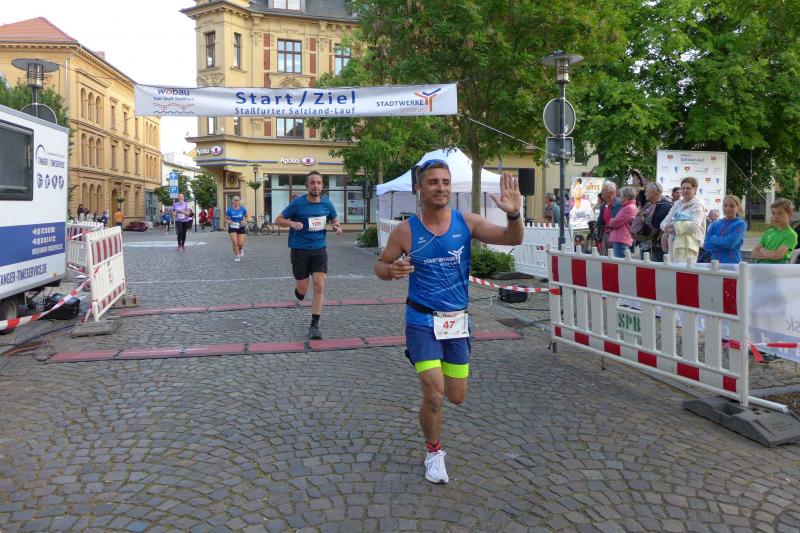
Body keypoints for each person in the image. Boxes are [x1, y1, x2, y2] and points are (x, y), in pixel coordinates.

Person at [374, 159, 523, 485]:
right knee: (434, 393)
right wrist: (391, 270)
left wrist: (514, 214)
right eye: (433, 182)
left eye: (445, 181)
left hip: (456, 322)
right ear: (419, 188)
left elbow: (512, 238)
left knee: (456, 396)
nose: (440, 187)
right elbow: (381, 266)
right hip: (421, 321)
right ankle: (434, 451)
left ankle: (434, 433)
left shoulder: (466, 222)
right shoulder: (406, 231)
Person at [276, 171, 342, 340]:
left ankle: (314, 325)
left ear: (322, 186)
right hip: (299, 250)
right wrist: (291, 223)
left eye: (318, 183)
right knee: (303, 289)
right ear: (307, 185)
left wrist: (336, 226)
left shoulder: (327, 203)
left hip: (319, 249)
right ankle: (299, 291)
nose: (315, 185)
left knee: (319, 285)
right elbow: (279, 219)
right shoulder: (298, 203)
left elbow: (334, 219)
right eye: (312, 182)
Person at [660, 177, 706, 262]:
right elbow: (663, 223)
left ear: (695, 189)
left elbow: (695, 227)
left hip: (688, 247)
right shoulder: (677, 204)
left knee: (685, 270)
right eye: (683, 188)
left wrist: (674, 226)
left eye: (688, 188)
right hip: (672, 245)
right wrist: (667, 227)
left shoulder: (698, 206)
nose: (685, 191)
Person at [632, 182, 672, 261]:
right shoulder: (651, 205)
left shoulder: (664, 205)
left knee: (656, 267)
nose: (645, 194)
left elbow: (655, 224)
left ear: (654, 192)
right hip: (650, 245)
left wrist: (644, 218)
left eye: (646, 191)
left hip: (659, 246)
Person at [702, 196, 746, 264]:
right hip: (715, 263)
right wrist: (725, 245)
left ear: (738, 208)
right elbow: (706, 245)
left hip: (732, 264)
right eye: (725, 205)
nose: (728, 208)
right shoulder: (715, 224)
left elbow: (730, 243)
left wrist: (714, 238)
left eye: (732, 206)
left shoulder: (740, 224)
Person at [752, 199, 797, 264]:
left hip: (777, 269)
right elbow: (754, 253)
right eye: (773, 213)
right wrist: (770, 255)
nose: (776, 217)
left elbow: (776, 255)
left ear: (789, 214)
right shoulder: (768, 232)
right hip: (759, 267)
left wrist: (762, 250)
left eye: (780, 213)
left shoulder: (791, 234)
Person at [606, 186, 638, 258]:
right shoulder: (627, 206)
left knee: (621, 262)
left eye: (621, 195)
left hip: (621, 238)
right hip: (621, 238)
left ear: (626, 197)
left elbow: (616, 222)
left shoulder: (629, 208)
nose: (619, 198)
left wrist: (611, 221)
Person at [594, 181, 621, 254]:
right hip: (605, 235)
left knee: (615, 257)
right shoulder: (603, 205)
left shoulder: (619, 203)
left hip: (616, 235)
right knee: (605, 257)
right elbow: (601, 221)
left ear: (611, 191)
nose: (602, 192)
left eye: (604, 190)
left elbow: (618, 221)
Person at [225, 196, 248, 261]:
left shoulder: (243, 209)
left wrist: (244, 221)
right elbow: (226, 219)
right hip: (232, 227)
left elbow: (246, 217)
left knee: (240, 243)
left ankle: (240, 249)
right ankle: (237, 256)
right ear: (232, 201)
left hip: (241, 226)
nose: (236, 201)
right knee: (235, 242)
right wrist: (229, 222)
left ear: (239, 201)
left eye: (237, 200)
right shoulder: (229, 210)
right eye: (235, 200)